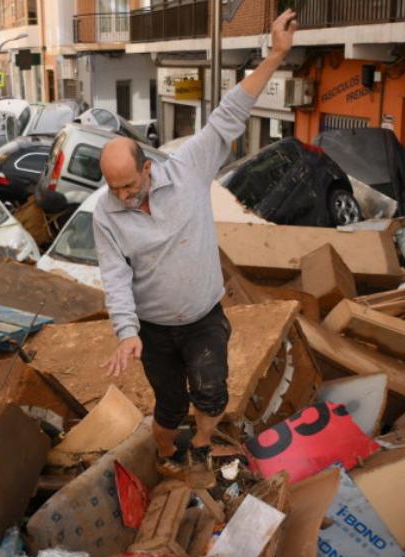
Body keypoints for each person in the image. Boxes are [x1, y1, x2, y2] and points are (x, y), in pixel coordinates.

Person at [92, 10, 299, 476]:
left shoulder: (186, 168)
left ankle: (202, 445)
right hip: (154, 329)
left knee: (211, 392)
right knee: (169, 404)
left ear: (146, 168)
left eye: (129, 186)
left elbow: (229, 114)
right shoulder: (105, 213)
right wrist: (126, 333)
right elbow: (115, 275)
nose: (123, 197)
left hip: (204, 317)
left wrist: (276, 55)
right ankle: (168, 454)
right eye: (114, 189)